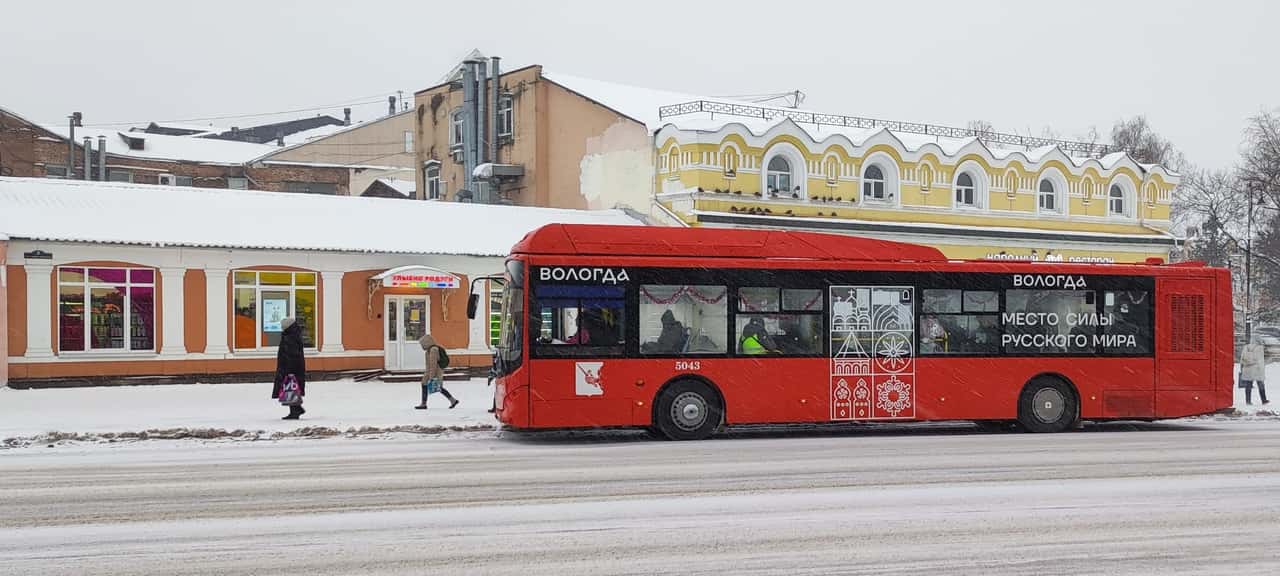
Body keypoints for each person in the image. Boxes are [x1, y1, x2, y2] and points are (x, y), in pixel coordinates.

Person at [271, 317, 306, 420]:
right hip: (292, 367)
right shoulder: (293, 335)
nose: (281, 328)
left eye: (283, 326)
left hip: (290, 367)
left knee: (290, 388)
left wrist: (290, 370)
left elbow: (292, 354)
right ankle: (296, 409)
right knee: (290, 389)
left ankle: (295, 411)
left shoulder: (290, 337)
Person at [417, 333, 459, 410]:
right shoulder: (429, 350)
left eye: (422, 344)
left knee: (435, 387)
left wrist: (431, 377)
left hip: (434, 372)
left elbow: (433, 364)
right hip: (430, 371)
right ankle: (453, 400)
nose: (422, 346)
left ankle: (424, 404)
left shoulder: (433, 350)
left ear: (426, 343)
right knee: (434, 386)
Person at [1240, 336, 1270, 405]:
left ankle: (1248, 401)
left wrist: (1242, 368)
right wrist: (1262, 368)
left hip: (1247, 369)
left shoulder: (1246, 347)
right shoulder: (1260, 348)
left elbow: (1242, 358)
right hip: (1257, 369)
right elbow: (1260, 360)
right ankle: (1264, 400)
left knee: (1248, 385)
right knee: (1261, 385)